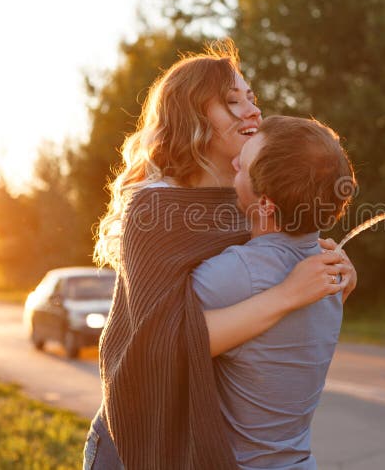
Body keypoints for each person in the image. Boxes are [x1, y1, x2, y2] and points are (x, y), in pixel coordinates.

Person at [83, 40, 356, 470]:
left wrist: (335, 274)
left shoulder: (253, 200)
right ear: (192, 117)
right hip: (136, 437)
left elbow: (268, 279)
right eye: (232, 102)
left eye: (251, 98)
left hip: (204, 443)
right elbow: (158, 344)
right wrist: (287, 293)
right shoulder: (156, 207)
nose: (251, 111)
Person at [192, 115, 355, 469]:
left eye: (244, 164)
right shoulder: (332, 271)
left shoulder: (237, 274)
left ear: (266, 204)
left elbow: (157, 335)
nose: (235, 161)